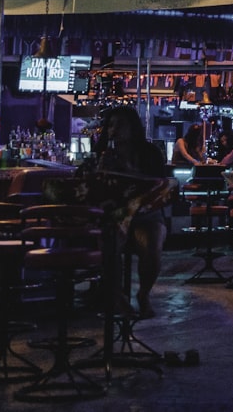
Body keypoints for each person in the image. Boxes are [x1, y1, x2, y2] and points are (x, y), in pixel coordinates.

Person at [91, 106, 172, 319]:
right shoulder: (104, 154)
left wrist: (126, 171)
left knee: (152, 247)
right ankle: (117, 297)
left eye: (120, 125)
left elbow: (158, 184)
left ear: (133, 127)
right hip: (115, 214)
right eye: (110, 125)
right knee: (109, 244)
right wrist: (100, 171)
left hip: (147, 213)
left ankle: (143, 294)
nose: (114, 130)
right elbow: (98, 189)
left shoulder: (149, 153)